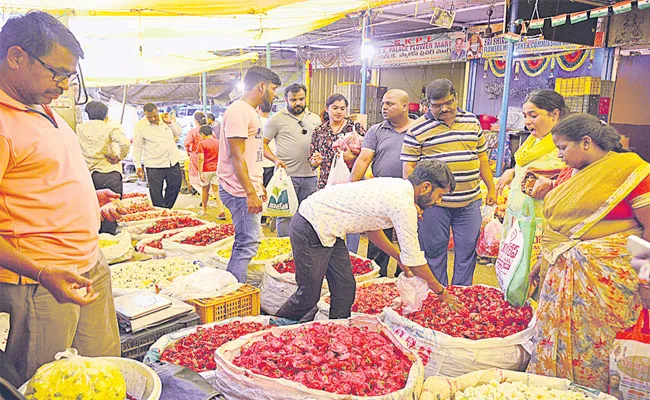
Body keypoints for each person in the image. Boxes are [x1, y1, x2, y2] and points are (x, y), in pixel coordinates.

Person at [0, 11, 125, 386]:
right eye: (57, 73)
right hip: (40, 282)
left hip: (88, 265)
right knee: (45, 383)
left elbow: (40, 177)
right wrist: (40, 272)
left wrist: (89, 196)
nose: (65, 85)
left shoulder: (41, 107)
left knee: (101, 374)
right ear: (16, 57)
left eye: (70, 77)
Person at [526, 113, 650, 391]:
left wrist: (646, 280)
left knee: (597, 346)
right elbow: (559, 229)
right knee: (555, 339)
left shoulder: (633, 172)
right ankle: (557, 389)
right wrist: (541, 261)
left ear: (586, 142)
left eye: (562, 147)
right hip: (563, 273)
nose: (559, 155)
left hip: (608, 285)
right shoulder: (572, 173)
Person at [276, 159, 462, 321]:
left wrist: (398, 256)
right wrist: (440, 292)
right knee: (308, 294)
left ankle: (337, 331)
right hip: (311, 224)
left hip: (329, 228)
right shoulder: (403, 204)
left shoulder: (398, 188)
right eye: (440, 195)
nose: (438, 201)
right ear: (426, 187)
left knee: (345, 288)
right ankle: (272, 326)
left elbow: (373, 231)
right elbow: (414, 261)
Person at [402, 79, 497, 287]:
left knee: (467, 252)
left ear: (456, 98)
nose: (444, 109)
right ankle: (438, 295)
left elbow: (482, 158)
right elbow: (409, 169)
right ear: (427, 104)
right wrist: (414, 200)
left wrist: (491, 188)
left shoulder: (472, 121)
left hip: (469, 202)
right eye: (437, 105)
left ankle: (461, 295)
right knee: (434, 251)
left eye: (448, 102)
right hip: (434, 205)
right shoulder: (417, 130)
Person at [217, 66, 281, 283]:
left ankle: (232, 286)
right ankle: (233, 289)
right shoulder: (239, 111)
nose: (274, 95)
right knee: (247, 242)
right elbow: (236, 156)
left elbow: (252, 154)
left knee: (247, 241)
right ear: (261, 86)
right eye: (273, 90)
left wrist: (257, 184)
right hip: (238, 190)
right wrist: (249, 192)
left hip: (245, 187)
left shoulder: (249, 112)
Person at [350, 89, 415, 277]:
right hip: (381, 195)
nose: (384, 107)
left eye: (390, 104)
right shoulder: (376, 130)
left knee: (408, 240)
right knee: (379, 241)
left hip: (410, 195)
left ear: (405, 106)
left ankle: (403, 279)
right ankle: (377, 278)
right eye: (383, 104)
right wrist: (351, 186)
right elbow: (363, 159)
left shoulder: (419, 129)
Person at [496, 90, 567, 245]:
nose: (527, 121)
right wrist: (514, 171)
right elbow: (531, 168)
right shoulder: (532, 142)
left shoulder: (565, 147)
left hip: (542, 224)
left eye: (533, 116)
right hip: (518, 217)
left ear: (554, 114)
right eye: (525, 116)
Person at [263, 83, 322, 237]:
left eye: (301, 99)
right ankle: (285, 250)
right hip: (287, 177)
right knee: (285, 215)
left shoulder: (315, 119)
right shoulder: (276, 119)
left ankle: (302, 249)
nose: (298, 103)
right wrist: (275, 160)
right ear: (285, 100)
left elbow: (321, 144)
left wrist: (319, 156)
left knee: (307, 215)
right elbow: (261, 145)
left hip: (311, 177)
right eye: (293, 99)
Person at [310, 94, 366, 253]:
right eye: (335, 108)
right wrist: (315, 160)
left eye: (342, 108)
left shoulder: (355, 128)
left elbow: (367, 154)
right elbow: (311, 157)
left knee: (352, 219)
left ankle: (351, 255)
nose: (339, 112)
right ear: (327, 109)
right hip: (327, 181)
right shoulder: (319, 130)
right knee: (329, 218)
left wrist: (352, 157)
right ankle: (330, 254)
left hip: (351, 180)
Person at [76, 100, 130, 234]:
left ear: (87, 113)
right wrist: (118, 157)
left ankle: (96, 239)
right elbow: (125, 144)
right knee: (111, 211)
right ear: (106, 114)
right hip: (109, 173)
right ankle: (110, 241)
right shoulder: (110, 127)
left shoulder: (79, 128)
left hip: (88, 175)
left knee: (92, 210)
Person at [133, 103, 183, 209]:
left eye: (154, 115)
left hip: (172, 161)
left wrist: (170, 123)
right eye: (149, 117)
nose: (152, 118)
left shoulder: (165, 120)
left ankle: (167, 208)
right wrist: (137, 165)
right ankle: (160, 212)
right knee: (156, 193)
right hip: (154, 164)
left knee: (175, 186)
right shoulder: (140, 127)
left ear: (157, 111)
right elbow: (137, 146)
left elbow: (178, 133)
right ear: (144, 114)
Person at [197, 125, 225, 219]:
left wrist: (200, 172)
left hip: (205, 170)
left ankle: (204, 210)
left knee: (205, 191)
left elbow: (201, 158)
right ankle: (221, 210)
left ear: (203, 134)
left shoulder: (202, 143)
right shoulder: (219, 142)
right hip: (217, 169)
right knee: (216, 191)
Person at [184, 111, 207, 195]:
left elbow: (187, 143)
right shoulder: (209, 131)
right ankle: (207, 194)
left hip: (196, 157)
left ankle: (204, 194)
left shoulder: (193, 132)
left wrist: (188, 150)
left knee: (195, 180)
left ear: (195, 121)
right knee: (206, 177)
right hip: (209, 156)